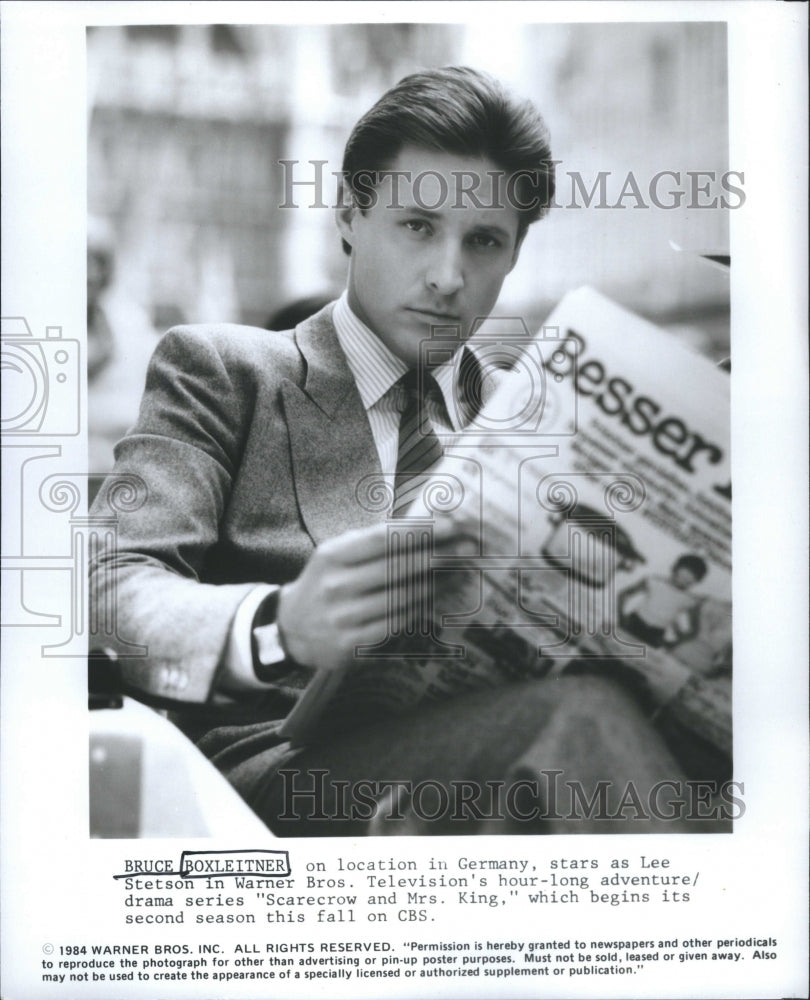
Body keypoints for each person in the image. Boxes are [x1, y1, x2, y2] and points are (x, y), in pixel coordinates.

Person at [90, 67, 731, 835]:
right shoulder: (224, 373)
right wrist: (279, 626)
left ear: (514, 256)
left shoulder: (550, 420)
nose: (448, 277)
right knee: (578, 721)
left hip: (520, 768)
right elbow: (107, 588)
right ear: (351, 216)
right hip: (290, 782)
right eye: (419, 226)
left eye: (485, 241)